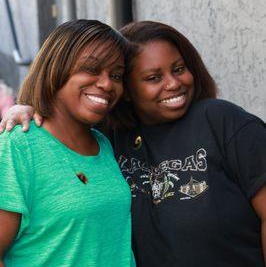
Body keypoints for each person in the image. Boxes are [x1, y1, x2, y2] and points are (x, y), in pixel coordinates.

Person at [1, 20, 266, 267]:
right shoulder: (104, 140)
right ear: (128, 92)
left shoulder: (218, 121)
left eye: (179, 69)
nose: (173, 83)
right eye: (153, 77)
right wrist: (27, 107)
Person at [0, 19, 135, 267]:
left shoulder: (104, 144)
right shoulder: (18, 146)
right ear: (56, 68)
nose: (107, 84)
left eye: (116, 75)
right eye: (91, 69)